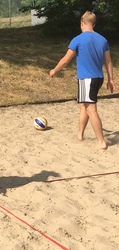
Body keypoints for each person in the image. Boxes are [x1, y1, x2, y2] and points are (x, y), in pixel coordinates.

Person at [49, 11, 115, 150]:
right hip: (98, 78)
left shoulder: (78, 39)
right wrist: (111, 79)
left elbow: (66, 60)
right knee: (84, 105)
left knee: (91, 109)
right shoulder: (103, 40)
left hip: (87, 79)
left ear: (82, 23)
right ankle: (80, 135)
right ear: (94, 24)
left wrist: (55, 70)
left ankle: (101, 142)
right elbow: (108, 61)